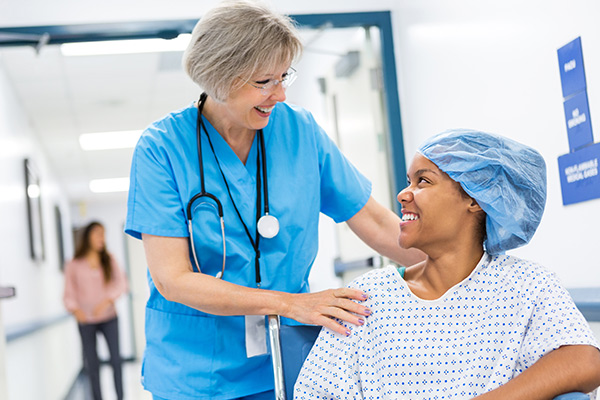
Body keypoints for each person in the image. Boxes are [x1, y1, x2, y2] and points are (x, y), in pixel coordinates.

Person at [124, 0, 424, 399]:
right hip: (196, 373)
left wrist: (457, 272)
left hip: (289, 357)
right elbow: (172, 279)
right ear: (219, 78)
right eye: (264, 82)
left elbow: (372, 220)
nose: (280, 95)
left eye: (284, 77)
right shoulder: (162, 148)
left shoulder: (298, 131)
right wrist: (290, 304)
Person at [295, 129, 600, 399]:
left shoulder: (527, 286)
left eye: (423, 181)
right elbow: (316, 392)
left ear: (476, 199)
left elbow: (584, 360)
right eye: (408, 182)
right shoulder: (367, 296)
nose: (403, 194)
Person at [63, 221, 128, 400]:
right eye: (98, 234)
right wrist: (75, 310)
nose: (102, 238)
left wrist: (107, 300)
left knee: (116, 360)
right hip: (86, 321)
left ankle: (120, 396)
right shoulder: (74, 264)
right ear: (88, 237)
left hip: (109, 318)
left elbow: (121, 283)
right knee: (92, 364)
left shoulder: (109, 259)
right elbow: (69, 293)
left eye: (104, 234)